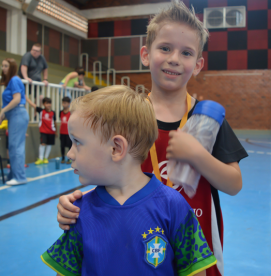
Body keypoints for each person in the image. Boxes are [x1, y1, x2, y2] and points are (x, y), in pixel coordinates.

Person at [55, 1, 248, 276]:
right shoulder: (127, 117)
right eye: (165, 48)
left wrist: (197, 155)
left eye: (186, 53)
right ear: (146, 54)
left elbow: (234, 184)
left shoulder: (207, 122)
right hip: (139, 244)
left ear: (198, 65)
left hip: (196, 248)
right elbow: (112, 174)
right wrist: (78, 203)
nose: (174, 59)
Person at [41, 85, 217, 276]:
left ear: (116, 148)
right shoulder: (77, 212)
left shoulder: (174, 206)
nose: (70, 153)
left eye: (78, 142)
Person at [0, 58, 29, 185]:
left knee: (16, 147)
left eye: (6, 66)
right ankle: (13, 174)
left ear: (11, 67)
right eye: (2, 66)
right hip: (13, 116)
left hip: (18, 114)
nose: (3, 68)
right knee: (12, 147)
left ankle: (20, 177)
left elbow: (16, 100)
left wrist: (2, 111)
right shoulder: (10, 82)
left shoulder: (15, 80)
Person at [33, 97, 57, 165]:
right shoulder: (41, 111)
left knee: (49, 144)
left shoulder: (53, 112)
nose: (48, 105)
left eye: (49, 103)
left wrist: (56, 131)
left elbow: (54, 122)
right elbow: (33, 105)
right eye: (47, 103)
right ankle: (40, 158)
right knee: (42, 143)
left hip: (51, 131)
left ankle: (45, 158)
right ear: (43, 104)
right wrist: (26, 98)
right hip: (43, 131)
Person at [59, 96, 72, 164]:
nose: (64, 104)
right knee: (62, 145)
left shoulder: (71, 113)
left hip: (68, 132)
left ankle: (69, 158)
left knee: (69, 146)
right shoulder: (60, 112)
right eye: (63, 103)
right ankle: (63, 158)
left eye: (65, 103)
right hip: (62, 132)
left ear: (69, 103)